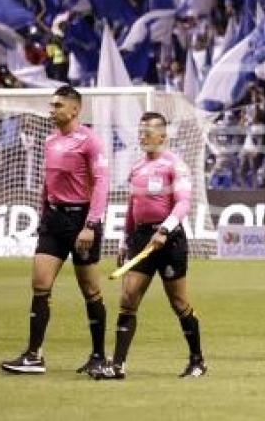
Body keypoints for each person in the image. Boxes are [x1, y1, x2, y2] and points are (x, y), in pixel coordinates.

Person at [1, 85, 109, 375]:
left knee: (89, 288)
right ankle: (34, 356)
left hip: (81, 221)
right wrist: (43, 214)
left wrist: (91, 225)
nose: (52, 110)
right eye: (51, 106)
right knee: (40, 283)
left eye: (57, 106)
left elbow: (101, 183)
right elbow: (48, 184)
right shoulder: (49, 141)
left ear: (74, 109)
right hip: (54, 220)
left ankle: (99, 356)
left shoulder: (90, 142)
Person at [93, 112, 206, 380]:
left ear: (163, 136)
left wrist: (164, 229)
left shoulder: (175, 165)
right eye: (140, 130)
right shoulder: (136, 167)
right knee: (128, 297)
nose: (142, 135)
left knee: (178, 302)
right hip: (142, 240)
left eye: (148, 131)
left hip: (170, 239)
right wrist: (124, 241)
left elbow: (183, 204)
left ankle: (197, 360)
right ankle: (117, 364)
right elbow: (132, 209)